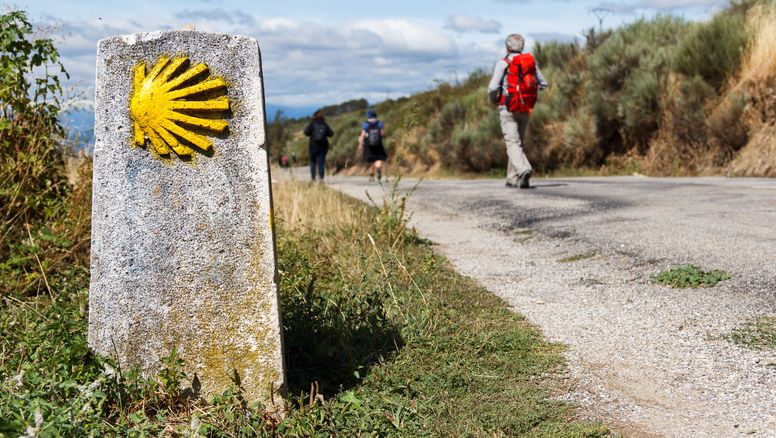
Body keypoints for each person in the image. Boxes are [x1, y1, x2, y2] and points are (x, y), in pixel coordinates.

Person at [488, 33, 548, 189]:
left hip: (507, 107)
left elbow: (493, 87)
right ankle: (512, 179)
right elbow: (543, 83)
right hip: (525, 107)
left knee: (512, 143)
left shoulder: (503, 63)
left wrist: (494, 99)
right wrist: (528, 92)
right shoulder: (530, 63)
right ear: (522, 46)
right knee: (518, 143)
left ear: (507, 47)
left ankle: (523, 169)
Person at [303, 110, 334, 181]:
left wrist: (312, 133)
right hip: (323, 146)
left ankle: (313, 178)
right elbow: (331, 133)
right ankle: (321, 178)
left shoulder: (312, 124)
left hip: (313, 146)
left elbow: (306, 132)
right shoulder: (324, 124)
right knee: (321, 162)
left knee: (313, 162)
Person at [358, 108, 387, 182]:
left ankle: (371, 175)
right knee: (378, 158)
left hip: (368, 145)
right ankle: (378, 168)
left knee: (370, 160)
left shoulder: (365, 124)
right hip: (378, 144)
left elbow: (363, 135)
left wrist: (360, 144)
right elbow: (383, 134)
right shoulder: (379, 123)